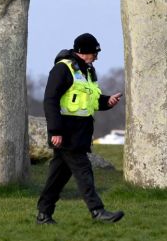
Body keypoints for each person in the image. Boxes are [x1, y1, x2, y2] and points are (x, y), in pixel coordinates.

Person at [36, 33, 125, 224]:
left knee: (57, 178)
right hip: (66, 133)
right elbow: (50, 101)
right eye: (94, 52)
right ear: (83, 52)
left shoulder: (89, 71)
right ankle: (97, 211)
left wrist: (107, 101)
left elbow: (91, 100)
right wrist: (55, 132)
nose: (97, 56)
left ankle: (44, 214)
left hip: (81, 133)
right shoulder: (62, 69)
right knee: (84, 171)